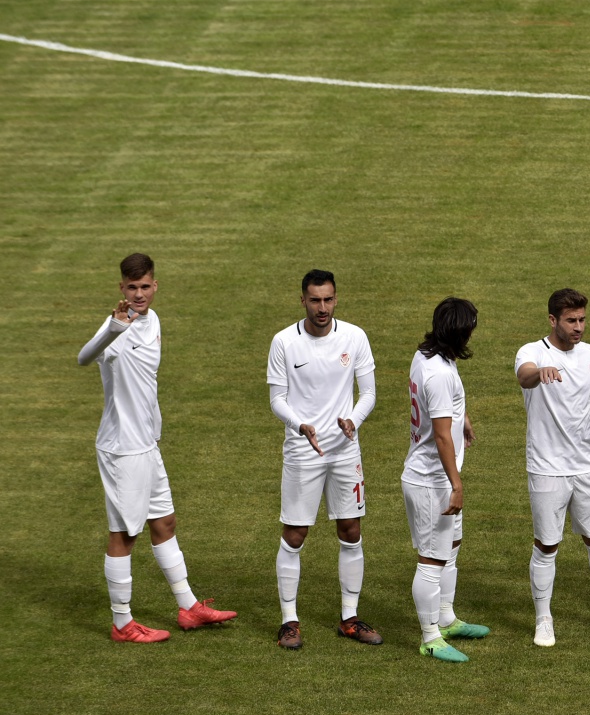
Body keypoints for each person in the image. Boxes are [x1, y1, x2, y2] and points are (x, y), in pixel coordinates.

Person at [77, 253, 236, 643]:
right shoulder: (117, 326)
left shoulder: (154, 320)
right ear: (121, 288)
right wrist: (114, 328)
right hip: (123, 450)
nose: (138, 294)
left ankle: (188, 606)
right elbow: (85, 357)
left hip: (147, 444)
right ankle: (121, 624)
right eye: (131, 288)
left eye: (145, 286)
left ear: (155, 285)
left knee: (164, 524)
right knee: (124, 535)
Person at [266, 269, 383, 651]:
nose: (322, 307)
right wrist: (300, 425)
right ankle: (289, 621)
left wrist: (353, 420)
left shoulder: (355, 336)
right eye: (314, 300)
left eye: (328, 299)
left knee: (351, 530)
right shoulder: (284, 341)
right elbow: (277, 398)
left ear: (336, 298)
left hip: (345, 449)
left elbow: (368, 392)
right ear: (302, 300)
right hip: (303, 450)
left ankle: (349, 618)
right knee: (296, 534)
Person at [516, 288, 590, 647]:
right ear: (553, 320)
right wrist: (540, 372)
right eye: (571, 320)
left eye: (583, 319)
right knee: (547, 545)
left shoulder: (589, 354)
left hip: (587, 466)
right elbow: (523, 376)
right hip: (546, 468)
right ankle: (544, 620)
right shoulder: (532, 353)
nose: (579, 327)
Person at [402, 296, 488, 664]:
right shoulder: (437, 373)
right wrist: (456, 484)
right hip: (431, 481)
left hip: (435, 477)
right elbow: (439, 436)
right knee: (432, 560)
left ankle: (447, 618)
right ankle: (430, 636)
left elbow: (445, 410)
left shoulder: (430, 355)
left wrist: (461, 416)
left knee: (451, 547)